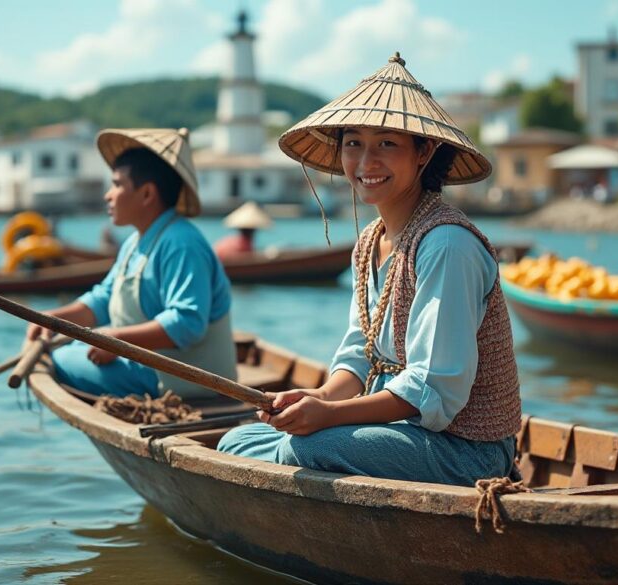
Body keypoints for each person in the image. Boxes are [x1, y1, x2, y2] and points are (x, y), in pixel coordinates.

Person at [217, 53, 523, 487]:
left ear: (423, 152)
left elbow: (432, 387)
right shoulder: (368, 243)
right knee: (235, 440)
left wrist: (329, 415)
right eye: (353, 143)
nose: (366, 162)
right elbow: (359, 355)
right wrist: (320, 397)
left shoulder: (447, 245)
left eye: (387, 144)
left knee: (307, 448)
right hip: (400, 433)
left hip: (466, 450)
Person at [25, 128, 237, 399]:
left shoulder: (182, 243)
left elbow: (187, 323)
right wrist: (54, 320)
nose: (108, 195)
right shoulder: (134, 243)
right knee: (59, 347)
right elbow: (104, 298)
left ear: (147, 194)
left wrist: (117, 340)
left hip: (184, 380)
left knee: (59, 359)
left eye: (117, 185)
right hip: (148, 366)